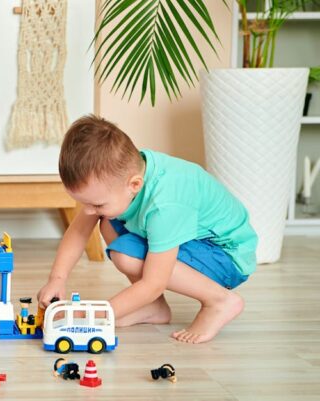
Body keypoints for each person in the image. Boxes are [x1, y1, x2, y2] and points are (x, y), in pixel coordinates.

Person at [37, 115, 257, 344]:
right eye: (85, 203)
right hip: (194, 241)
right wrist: (57, 278)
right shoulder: (122, 175)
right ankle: (153, 307)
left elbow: (154, 283)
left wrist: (91, 317)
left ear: (134, 185)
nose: (89, 211)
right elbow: (79, 231)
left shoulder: (165, 206)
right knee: (108, 222)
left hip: (226, 256)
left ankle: (219, 301)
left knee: (126, 255)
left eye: (97, 204)